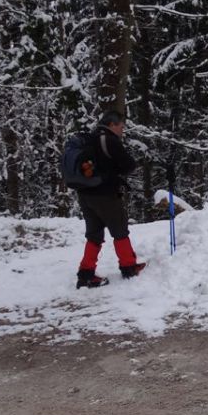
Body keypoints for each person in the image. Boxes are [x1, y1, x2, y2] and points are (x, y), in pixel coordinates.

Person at [74, 110, 146, 288]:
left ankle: (86, 274)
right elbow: (129, 165)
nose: (123, 130)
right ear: (112, 125)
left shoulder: (89, 138)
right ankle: (129, 266)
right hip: (105, 194)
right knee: (120, 230)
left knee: (94, 234)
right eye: (121, 126)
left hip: (85, 194)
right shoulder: (110, 141)